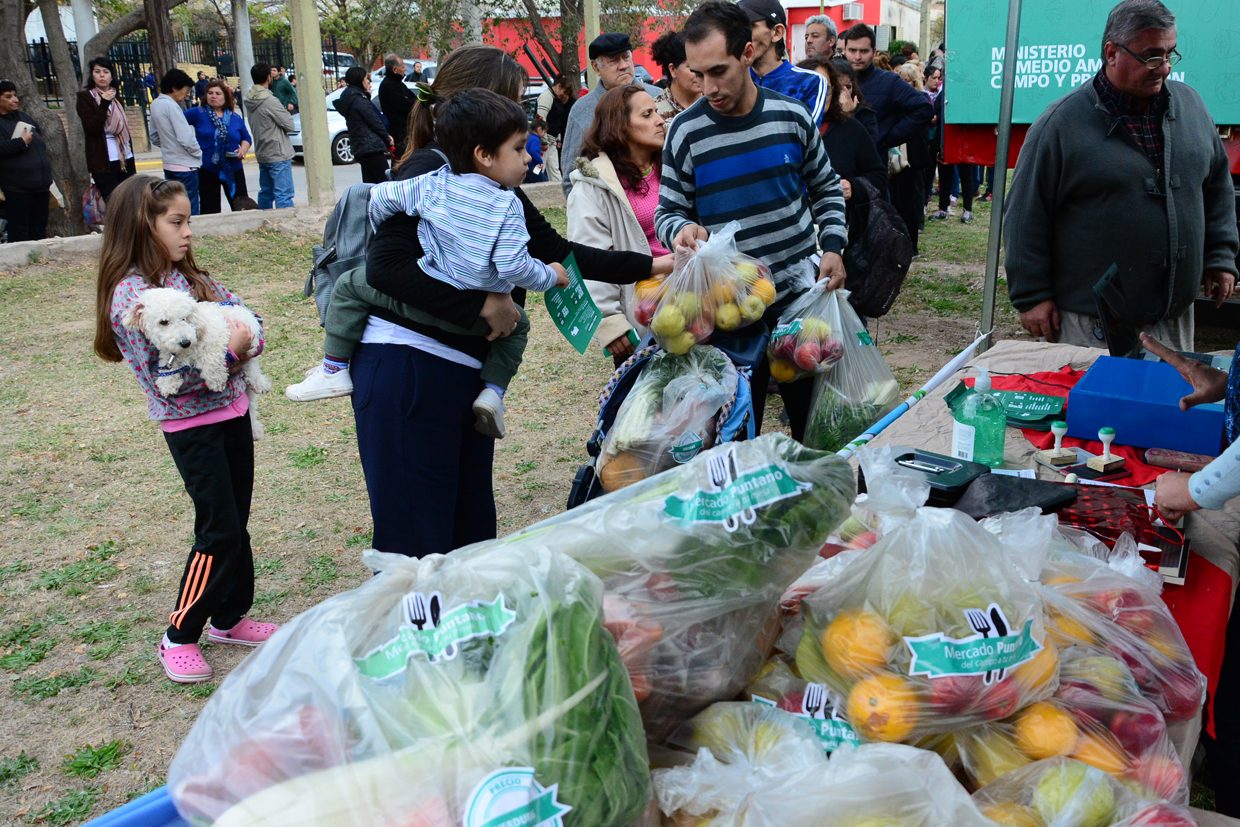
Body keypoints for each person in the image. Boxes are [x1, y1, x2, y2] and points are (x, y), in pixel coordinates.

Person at [287, 44, 670, 559]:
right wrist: (481, 308)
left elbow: (557, 251)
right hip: (409, 371)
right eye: (513, 106)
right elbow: (385, 267)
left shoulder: (492, 183)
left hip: (457, 372)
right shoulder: (433, 172)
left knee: (467, 538)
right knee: (416, 550)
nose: (522, 125)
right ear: (479, 121)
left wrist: (653, 264)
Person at [93, 175, 278, 683]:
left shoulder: (190, 278)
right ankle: (180, 632)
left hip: (234, 411)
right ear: (141, 225)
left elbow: (250, 317)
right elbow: (166, 372)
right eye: (176, 222)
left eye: (188, 220)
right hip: (190, 425)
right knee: (217, 525)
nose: (188, 232)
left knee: (235, 519)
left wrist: (244, 345)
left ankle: (229, 618)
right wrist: (231, 352)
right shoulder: (131, 297)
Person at [305, 90, 569, 441]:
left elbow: (382, 198)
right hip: (481, 321)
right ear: (484, 155)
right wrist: (550, 274)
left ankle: (334, 366)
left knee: (349, 284)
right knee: (518, 329)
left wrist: (382, 222)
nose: (527, 158)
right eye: (519, 149)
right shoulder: (507, 205)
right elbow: (512, 265)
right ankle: (493, 394)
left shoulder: (433, 184)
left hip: (435, 294)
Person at [656, 0, 847, 441]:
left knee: (814, 429)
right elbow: (669, 210)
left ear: (747, 53)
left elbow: (825, 188)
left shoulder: (791, 117)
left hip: (798, 302)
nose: (708, 87)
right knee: (734, 432)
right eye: (698, 74)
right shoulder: (686, 132)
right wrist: (680, 230)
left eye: (718, 71)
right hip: (727, 312)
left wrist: (834, 246)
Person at [1005, 0, 1238, 350]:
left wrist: (1220, 258)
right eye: (1151, 56)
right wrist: (1031, 295)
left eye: (1170, 54)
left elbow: (1217, 187)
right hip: (1091, 323)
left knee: (1167, 405)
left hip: (1173, 318)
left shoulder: (1192, 107)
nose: (1163, 68)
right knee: (1100, 405)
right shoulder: (1061, 124)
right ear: (1112, 53)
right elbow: (1025, 214)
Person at [567, 85, 671, 367]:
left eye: (657, 113)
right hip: (643, 316)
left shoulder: (674, 166)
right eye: (647, 115)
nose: (660, 121)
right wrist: (609, 321)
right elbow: (591, 259)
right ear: (620, 127)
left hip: (694, 303)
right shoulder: (593, 187)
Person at [561, 33, 662, 197]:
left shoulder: (658, 98)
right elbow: (570, 178)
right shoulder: (582, 110)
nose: (623, 65)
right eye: (614, 60)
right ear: (595, 67)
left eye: (626, 57)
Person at [797, 57, 886, 214]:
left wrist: (853, 187)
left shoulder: (852, 129)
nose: (820, 94)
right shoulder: (779, 128)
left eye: (827, 88)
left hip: (841, 226)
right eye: (812, 86)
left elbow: (878, 177)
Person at [842, 24, 932, 155]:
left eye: (864, 51)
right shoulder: (833, 78)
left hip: (874, 163)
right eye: (852, 50)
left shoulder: (889, 81)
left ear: (874, 51)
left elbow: (924, 109)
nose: (857, 57)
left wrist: (887, 139)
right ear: (844, 51)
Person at [738, 0, 829, 127]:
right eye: (735, 27)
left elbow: (802, 139)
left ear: (777, 32)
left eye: (749, 26)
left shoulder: (809, 82)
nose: (739, 35)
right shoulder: (733, 80)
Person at [184, 80, 252, 214]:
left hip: (234, 167)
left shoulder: (235, 117)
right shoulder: (198, 113)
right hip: (208, 168)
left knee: (241, 207)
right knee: (210, 209)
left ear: (226, 97)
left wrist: (243, 149)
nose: (213, 96)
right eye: (210, 93)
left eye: (218, 93)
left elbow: (247, 138)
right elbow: (177, 123)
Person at [0, 80, 53, 242]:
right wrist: (20, 142)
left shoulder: (24, 117)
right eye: (9, 97)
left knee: (39, 228)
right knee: (20, 230)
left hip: (40, 185)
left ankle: (40, 262)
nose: (15, 100)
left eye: (15, 95)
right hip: (18, 188)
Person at [77, 57, 135, 203]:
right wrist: (103, 103)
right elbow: (92, 127)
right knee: (114, 203)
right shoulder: (86, 98)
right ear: (92, 75)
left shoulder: (116, 99)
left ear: (111, 76)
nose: (102, 75)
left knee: (130, 202)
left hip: (124, 157)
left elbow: (123, 129)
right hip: (103, 162)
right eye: (97, 72)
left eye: (106, 72)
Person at [148, 69, 203, 215]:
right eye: (185, 91)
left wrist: (168, 145)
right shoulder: (172, 106)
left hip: (169, 163)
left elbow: (154, 136)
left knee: (173, 205)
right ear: (174, 88)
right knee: (190, 205)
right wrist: (198, 153)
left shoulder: (156, 105)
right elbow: (186, 137)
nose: (187, 95)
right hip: (185, 165)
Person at [244, 62, 297, 210]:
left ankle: (264, 219)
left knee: (266, 192)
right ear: (269, 77)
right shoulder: (270, 100)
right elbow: (289, 125)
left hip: (262, 151)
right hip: (278, 153)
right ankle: (285, 222)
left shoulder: (250, 99)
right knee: (283, 194)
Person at [336, 67, 393, 184]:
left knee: (370, 184)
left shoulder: (350, 98)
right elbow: (376, 122)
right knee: (386, 183)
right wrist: (387, 139)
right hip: (371, 147)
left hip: (360, 147)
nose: (368, 82)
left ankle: (369, 203)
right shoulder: (359, 100)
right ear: (360, 80)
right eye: (366, 78)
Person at [651, 29, 702, 120]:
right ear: (673, 70)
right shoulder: (655, 112)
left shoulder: (715, 103)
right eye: (691, 68)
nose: (700, 73)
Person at [831, 57, 879, 143]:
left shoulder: (865, 115)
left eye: (848, 87)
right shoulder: (820, 112)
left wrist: (848, 116)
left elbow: (865, 148)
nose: (843, 92)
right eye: (837, 87)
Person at [378, 54, 417, 157]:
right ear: (395, 70)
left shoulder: (399, 84)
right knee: (401, 162)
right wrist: (411, 102)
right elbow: (406, 105)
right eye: (403, 67)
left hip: (406, 131)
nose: (405, 70)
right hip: (399, 134)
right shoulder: (388, 86)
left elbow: (414, 99)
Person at [539, 75, 575, 181]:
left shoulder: (554, 98)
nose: (564, 95)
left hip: (552, 139)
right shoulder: (547, 97)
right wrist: (543, 140)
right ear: (559, 86)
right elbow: (541, 118)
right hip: (547, 138)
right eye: (564, 91)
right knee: (540, 167)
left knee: (554, 169)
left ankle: (559, 190)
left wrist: (558, 137)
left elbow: (556, 120)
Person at [525, 117, 548, 183]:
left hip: (527, 165)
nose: (544, 134)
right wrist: (540, 161)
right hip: (533, 165)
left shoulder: (530, 137)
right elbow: (534, 151)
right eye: (544, 132)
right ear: (539, 129)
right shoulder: (536, 139)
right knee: (544, 181)